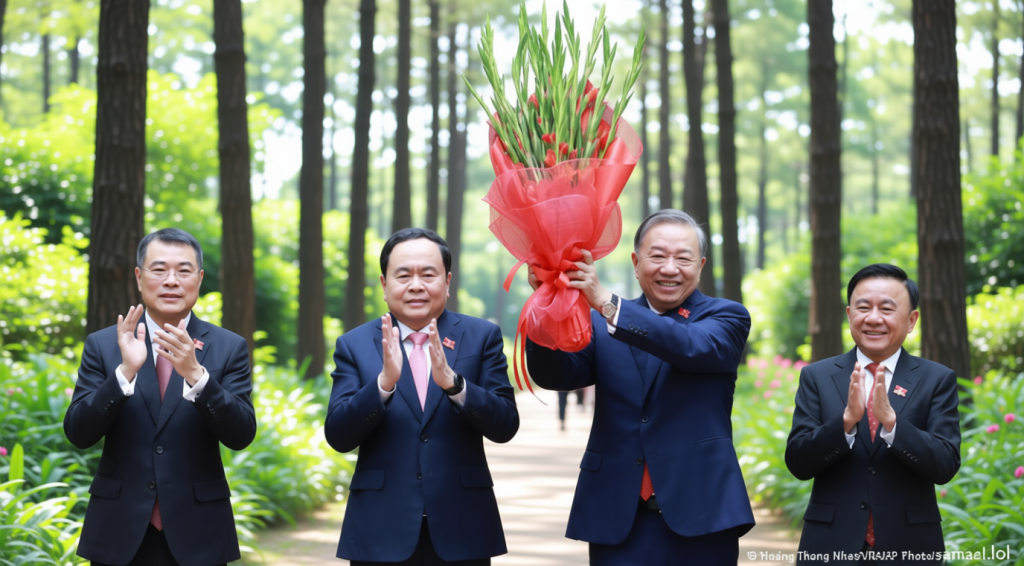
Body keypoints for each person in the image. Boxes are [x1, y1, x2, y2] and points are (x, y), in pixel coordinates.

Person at [525, 209, 755, 565]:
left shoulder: (726, 317)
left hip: (703, 513)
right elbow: (556, 376)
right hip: (618, 516)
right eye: (657, 256)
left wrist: (607, 303)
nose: (670, 268)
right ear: (636, 263)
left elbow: (691, 347)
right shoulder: (598, 325)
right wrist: (545, 303)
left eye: (683, 258)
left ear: (700, 266)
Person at [324, 228, 520, 565]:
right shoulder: (354, 344)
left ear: (447, 281)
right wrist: (383, 385)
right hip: (380, 528)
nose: (416, 285)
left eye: (428, 275)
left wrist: (456, 386)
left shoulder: (481, 336)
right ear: (384, 284)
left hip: (463, 525)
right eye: (403, 275)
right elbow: (339, 435)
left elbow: (505, 425)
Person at [64, 228, 257, 566]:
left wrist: (197, 377)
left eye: (183, 271)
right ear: (139, 277)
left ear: (199, 279)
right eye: (159, 270)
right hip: (118, 529)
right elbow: (79, 433)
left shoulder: (229, 347)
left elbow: (241, 435)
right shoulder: (104, 344)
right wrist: (124, 373)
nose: (171, 281)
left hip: (200, 531)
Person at [785, 264, 961, 565]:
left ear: (911, 320)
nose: (874, 318)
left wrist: (892, 423)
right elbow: (798, 463)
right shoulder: (817, 376)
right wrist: (845, 422)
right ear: (849, 314)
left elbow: (945, 465)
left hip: (910, 547)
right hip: (831, 545)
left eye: (887, 309)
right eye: (863, 307)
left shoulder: (937, 379)